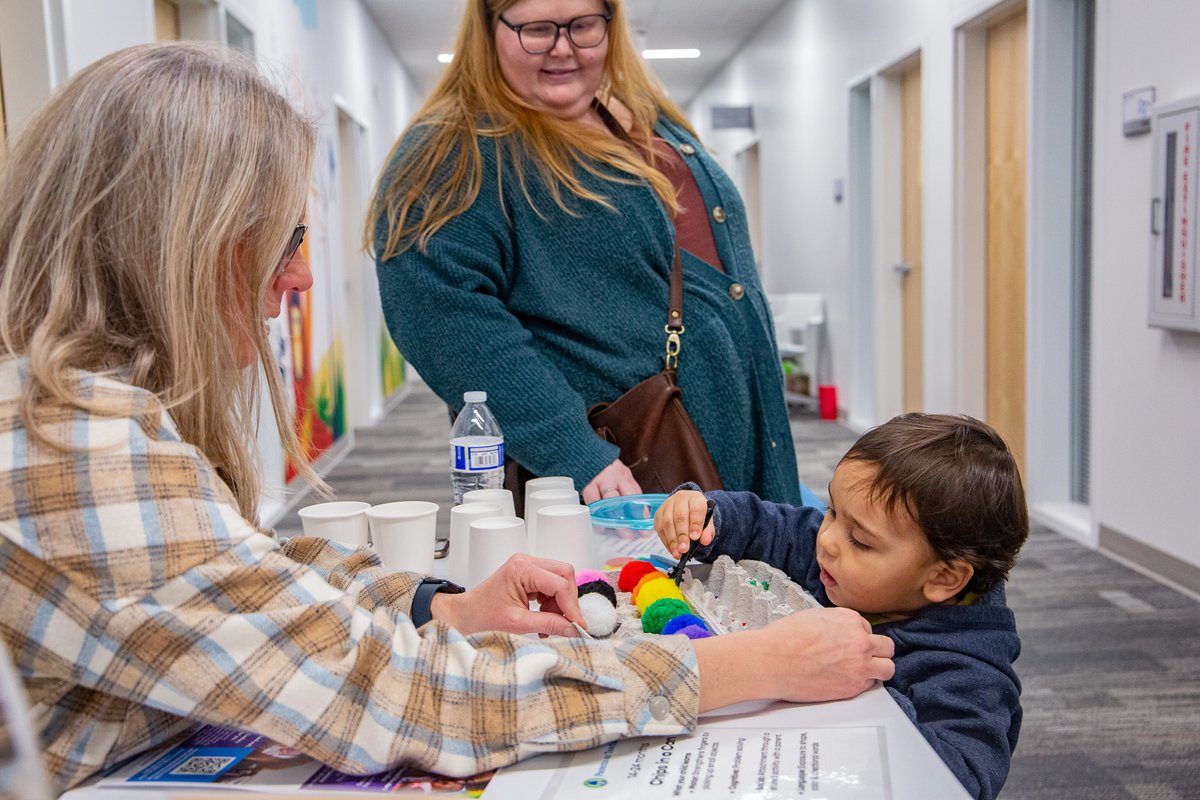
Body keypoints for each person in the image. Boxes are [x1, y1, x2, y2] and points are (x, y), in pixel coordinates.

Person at [0, 42, 895, 795]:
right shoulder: (75, 449)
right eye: (282, 241)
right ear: (175, 246)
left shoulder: (88, 414)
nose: (303, 279)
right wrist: (736, 670)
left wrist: (446, 605)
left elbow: (250, 574)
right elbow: (387, 694)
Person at [368, 0, 801, 507]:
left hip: (728, 448)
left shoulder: (637, 111)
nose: (563, 48)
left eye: (583, 25)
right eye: (537, 29)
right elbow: (442, 318)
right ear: (489, 28)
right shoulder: (454, 148)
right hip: (625, 477)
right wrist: (572, 450)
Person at [654, 414, 1030, 800]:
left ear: (943, 579)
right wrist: (708, 515)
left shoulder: (970, 672)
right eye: (833, 511)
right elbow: (767, 525)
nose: (828, 540)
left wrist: (866, 689)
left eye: (861, 542)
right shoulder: (833, 560)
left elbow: (960, 779)